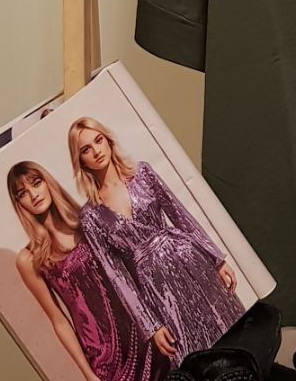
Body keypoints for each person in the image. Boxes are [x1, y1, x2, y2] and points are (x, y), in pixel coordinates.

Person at [9, 160, 167, 381]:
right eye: (22, 193)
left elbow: (131, 269)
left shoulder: (89, 219)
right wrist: (88, 376)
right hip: (104, 356)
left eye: (36, 183)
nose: (33, 195)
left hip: (141, 333)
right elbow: (59, 320)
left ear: (48, 182)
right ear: (18, 203)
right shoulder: (29, 258)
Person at [70, 117, 244, 366]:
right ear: (80, 160)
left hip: (189, 260)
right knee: (193, 355)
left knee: (228, 325)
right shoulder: (91, 215)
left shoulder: (143, 173)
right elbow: (116, 275)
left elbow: (180, 215)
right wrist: (150, 325)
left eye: (98, 140)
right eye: (86, 149)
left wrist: (216, 259)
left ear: (108, 141)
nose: (96, 151)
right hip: (156, 287)